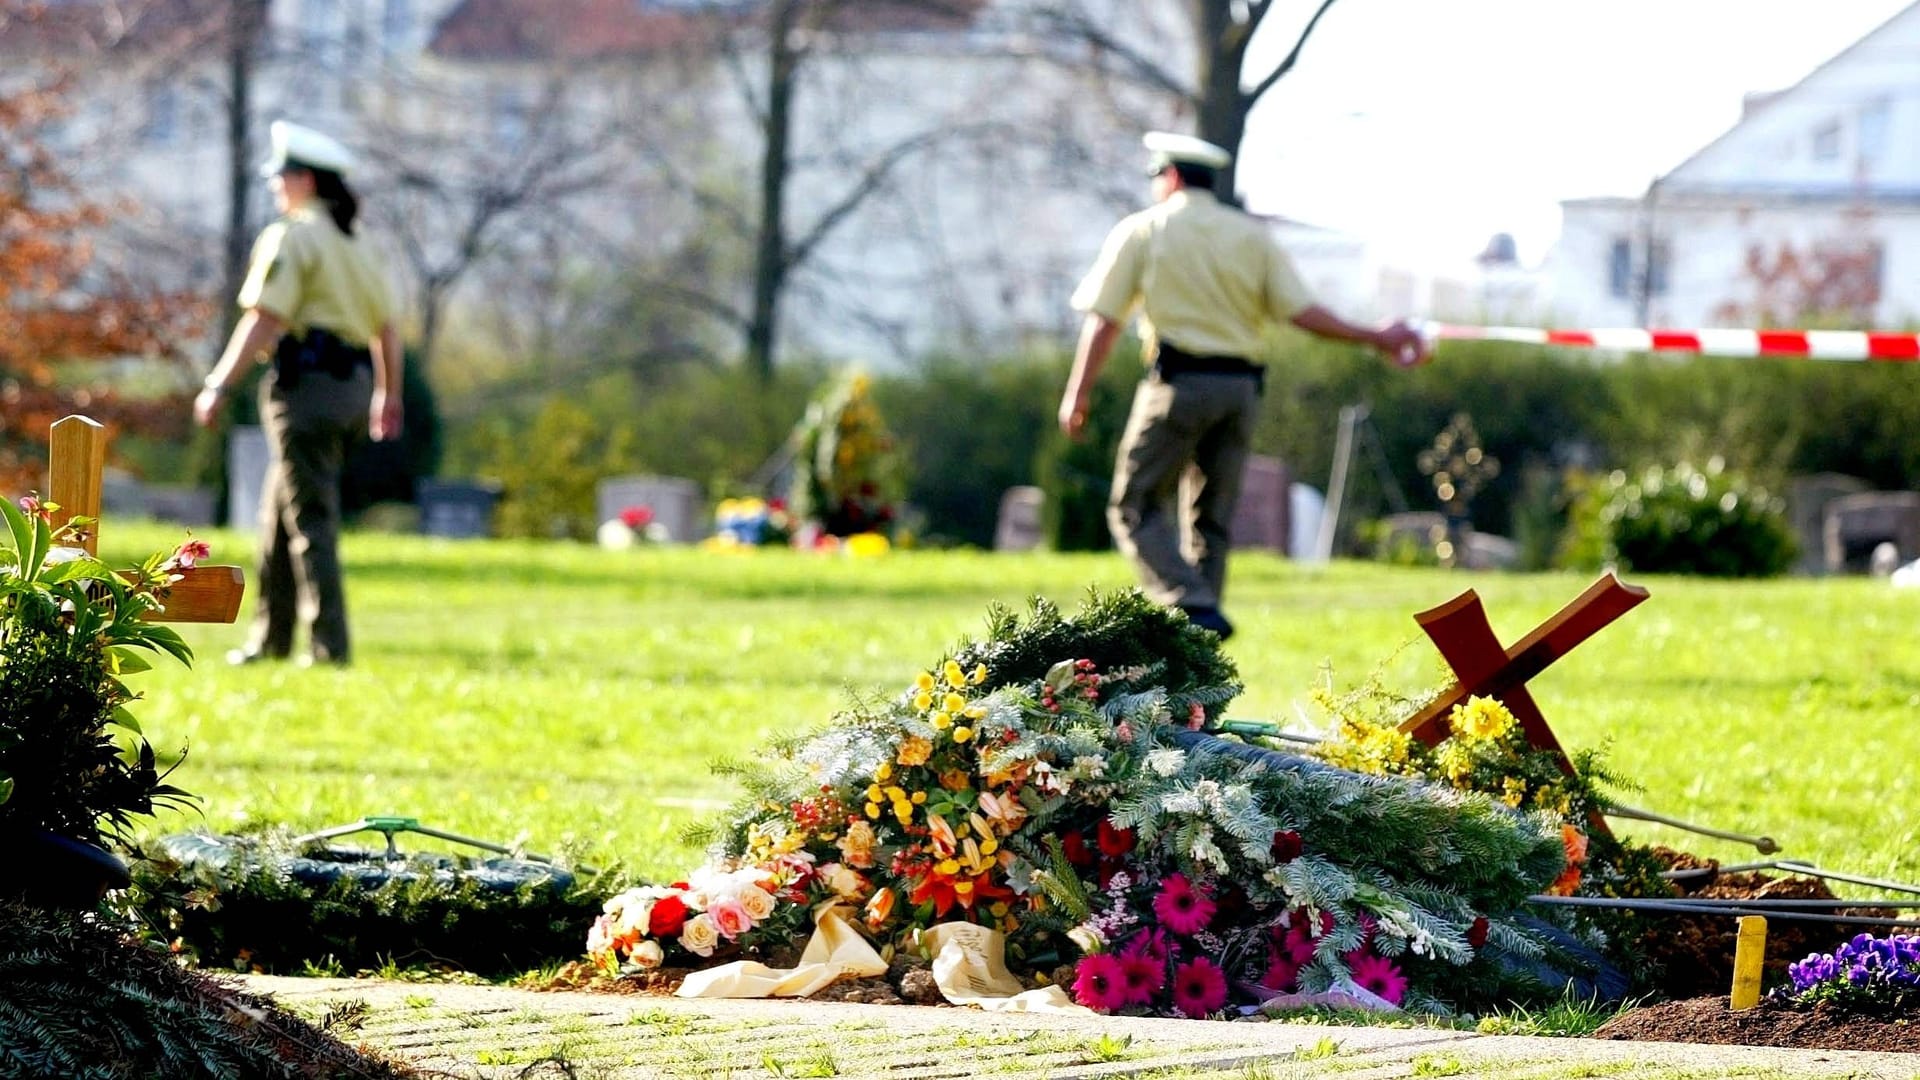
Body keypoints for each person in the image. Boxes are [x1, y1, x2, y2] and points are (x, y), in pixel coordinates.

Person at [1059, 132, 1430, 641]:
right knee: (1211, 516)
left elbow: (1104, 320)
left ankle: (1189, 601)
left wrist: (1077, 394)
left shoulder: (1145, 230)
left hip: (1178, 385)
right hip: (1240, 392)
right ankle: (1200, 637)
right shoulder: (1250, 237)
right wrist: (1377, 337)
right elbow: (1304, 314)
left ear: (1169, 177)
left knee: (1134, 504)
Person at [194, 120, 403, 667]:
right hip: (353, 388)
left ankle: (330, 648)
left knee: (311, 519)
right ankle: (270, 639)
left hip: (307, 391)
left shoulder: (292, 236)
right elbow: (388, 328)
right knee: (278, 514)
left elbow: (265, 319)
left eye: (280, 175)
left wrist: (218, 384)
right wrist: (388, 394)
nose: (273, 185)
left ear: (304, 179)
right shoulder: (356, 243)